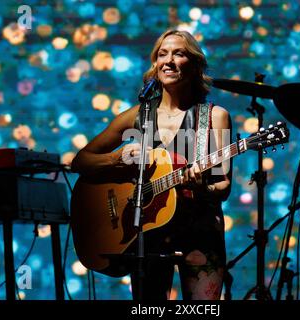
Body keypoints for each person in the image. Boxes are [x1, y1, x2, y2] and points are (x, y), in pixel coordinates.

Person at [71, 29, 232, 300]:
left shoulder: (214, 117)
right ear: (155, 65)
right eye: (162, 54)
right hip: (150, 233)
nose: (168, 61)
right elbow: (81, 161)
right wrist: (117, 159)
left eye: (178, 53)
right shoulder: (139, 115)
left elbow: (224, 185)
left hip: (200, 232)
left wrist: (202, 186)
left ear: (194, 65)